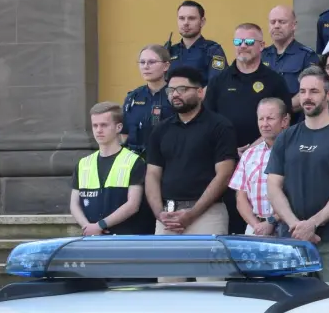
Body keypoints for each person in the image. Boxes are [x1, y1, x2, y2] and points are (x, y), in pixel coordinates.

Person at [266, 67, 329, 283]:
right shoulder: (286, 138)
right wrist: (297, 226)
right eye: (302, 92)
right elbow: (273, 187)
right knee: (292, 306)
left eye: (313, 91)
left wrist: (312, 224)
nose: (307, 97)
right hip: (292, 239)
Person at [145, 66, 237, 236]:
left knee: (204, 263)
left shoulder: (220, 126)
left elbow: (224, 175)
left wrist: (192, 213)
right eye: (171, 90)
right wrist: (159, 214)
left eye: (182, 89)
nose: (175, 94)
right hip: (167, 216)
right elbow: (152, 174)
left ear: (200, 93)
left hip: (207, 215)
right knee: (164, 263)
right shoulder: (161, 130)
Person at [206, 23, 290, 148]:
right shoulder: (218, 81)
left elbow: (286, 121)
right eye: (238, 41)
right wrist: (229, 150)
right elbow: (208, 121)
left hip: (264, 154)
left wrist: (251, 150)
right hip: (224, 155)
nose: (243, 46)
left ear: (262, 45)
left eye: (249, 42)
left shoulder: (276, 81)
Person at [71, 102, 149, 236]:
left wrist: (100, 225)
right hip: (92, 237)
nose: (98, 130)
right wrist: (88, 227)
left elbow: (133, 205)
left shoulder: (134, 161)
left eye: (104, 125)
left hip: (125, 237)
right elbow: (74, 204)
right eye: (95, 125)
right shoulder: (83, 164)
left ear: (118, 127)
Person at [230, 97, 288, 236]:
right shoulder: (249, 154)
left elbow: (297, 195)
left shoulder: (296, 151)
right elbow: (241, 197)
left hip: (288, 226)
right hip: (255, 228)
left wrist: (271, 221)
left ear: (284, 121)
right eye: (261, 119)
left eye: (270, 118)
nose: (265, 124)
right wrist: (257, 225)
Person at [262, 5, 318, 105]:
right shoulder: (261, 55)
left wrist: (281, 110)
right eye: (272, 22)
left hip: (294, 117)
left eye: (282, 22)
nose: (276, 26)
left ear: (294, 25)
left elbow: (311, 91)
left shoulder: (307, 56)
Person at [123, 44, 171, 154]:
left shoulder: (176, 95)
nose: (146, 66)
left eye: (152, 62)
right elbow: (124, 133)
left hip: (167, 159)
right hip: (137, 160)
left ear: (166, 66)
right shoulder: (133, 97)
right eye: (142, 62)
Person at [166, 0, 227, 82]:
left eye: (191, 18)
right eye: (181, 18)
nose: (185, 23)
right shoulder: (170, 51)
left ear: (202, 22)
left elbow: (216, 83)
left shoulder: (213, 50)